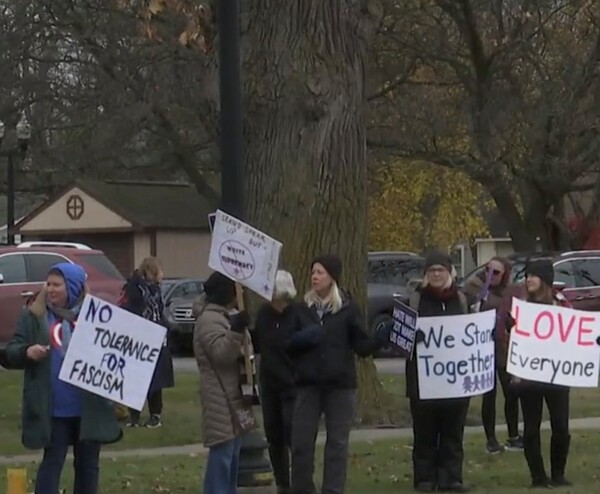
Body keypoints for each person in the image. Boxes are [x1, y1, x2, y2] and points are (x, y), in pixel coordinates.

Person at [4, 262, 122, 494]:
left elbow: (117, 356)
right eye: (48, 284)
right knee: (52, 462)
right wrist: (27, 351)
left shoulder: (97, 317)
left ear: (74, 287)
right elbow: (12, 350)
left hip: (89, 407)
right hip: (54, 408)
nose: (50, 289)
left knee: (88, 466)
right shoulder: (34, 315)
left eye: (57, 284)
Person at [288, 254, 390, 494]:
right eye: (313, 272)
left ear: (332, 277)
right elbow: (287, 345)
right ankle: (302, 489)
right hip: (308, 385)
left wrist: (379, 339)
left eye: (320, 272)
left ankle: (332, 490)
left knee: (337, 444)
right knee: (301, 443)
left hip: (340, 386)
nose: (314, 277)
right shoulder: (302, 309)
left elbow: (361, 347)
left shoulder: (347, 308)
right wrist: (300, 340)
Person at [406, 251, 470, 493]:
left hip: (455, 380)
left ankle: (451, 478)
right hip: (422, 380)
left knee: (453, 432)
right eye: (431, 270)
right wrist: (413, 337)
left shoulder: (462, 300)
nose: (435, 274)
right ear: (425, 274)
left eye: (440, 270)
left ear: (449, 272)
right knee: (425, 432)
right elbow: (398, 338)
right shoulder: (414, 300)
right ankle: (424, 478)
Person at [512, 259, 572, 488]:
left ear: (545, 279)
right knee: (530, 428)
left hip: (557, 375)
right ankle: (538, 476)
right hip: (529, 376)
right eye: (527, 276)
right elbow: (508, 337)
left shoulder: (561, 305)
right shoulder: (519, 306)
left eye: (533, 275)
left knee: (561, 427)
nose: (529, 279)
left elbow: (575, 334)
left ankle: (558, 474)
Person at [194, 271, 255, 494]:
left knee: (233, 453)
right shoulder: (209, 319)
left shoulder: (224, 316)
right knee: (223, 453)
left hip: (232, 393)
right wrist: (236, 331)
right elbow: (221, 355)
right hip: (219, 394)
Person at [465, 256, 522, 454]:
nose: (491, 275)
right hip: (483, 350)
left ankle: (513, 436)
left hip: (503, 350)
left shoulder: (509, 293)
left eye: (496, 272)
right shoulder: (476, 289)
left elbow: (513, 320)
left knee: (511, 393)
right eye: (488, 269)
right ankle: (491, 440)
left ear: (504, 274)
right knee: (488, 396)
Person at [254, 270, 299, 494]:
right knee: (274, 435)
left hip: (291, 383)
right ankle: (282, 482)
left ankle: (300, 479)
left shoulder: (297, 314)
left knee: (293, 432)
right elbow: (257, 341)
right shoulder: (263, 314)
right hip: (269, 383)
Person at [120, 257, 174, 428]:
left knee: (155, 379)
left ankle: (154, 414)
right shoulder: (136, 289)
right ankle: (134, 414)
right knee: (136, 378)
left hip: (156, 337)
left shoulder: (156, 290)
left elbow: (158, 311)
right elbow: (131, 309)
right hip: (139, 337)